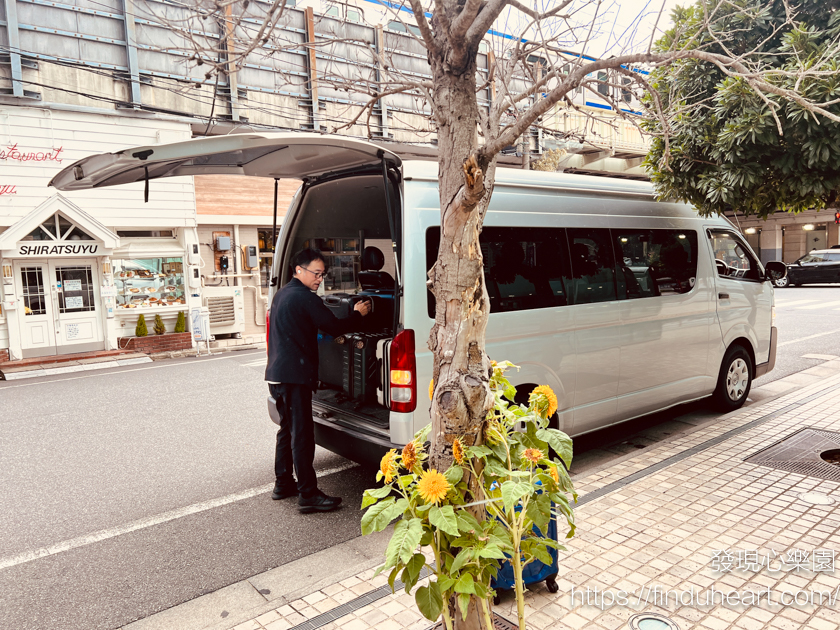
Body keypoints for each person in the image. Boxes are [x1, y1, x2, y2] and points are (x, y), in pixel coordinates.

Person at [265, 248, 371, 513]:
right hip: (295, 377)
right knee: (302, 435)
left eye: (322, 274)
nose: (319, 279)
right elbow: (334, 327)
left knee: (286, 429)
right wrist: (358, 313)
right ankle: (308, 494)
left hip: (277, 375)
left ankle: (283, 483)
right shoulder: (305, 298)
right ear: (299, 269)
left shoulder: (282, 294)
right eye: (316, 273)